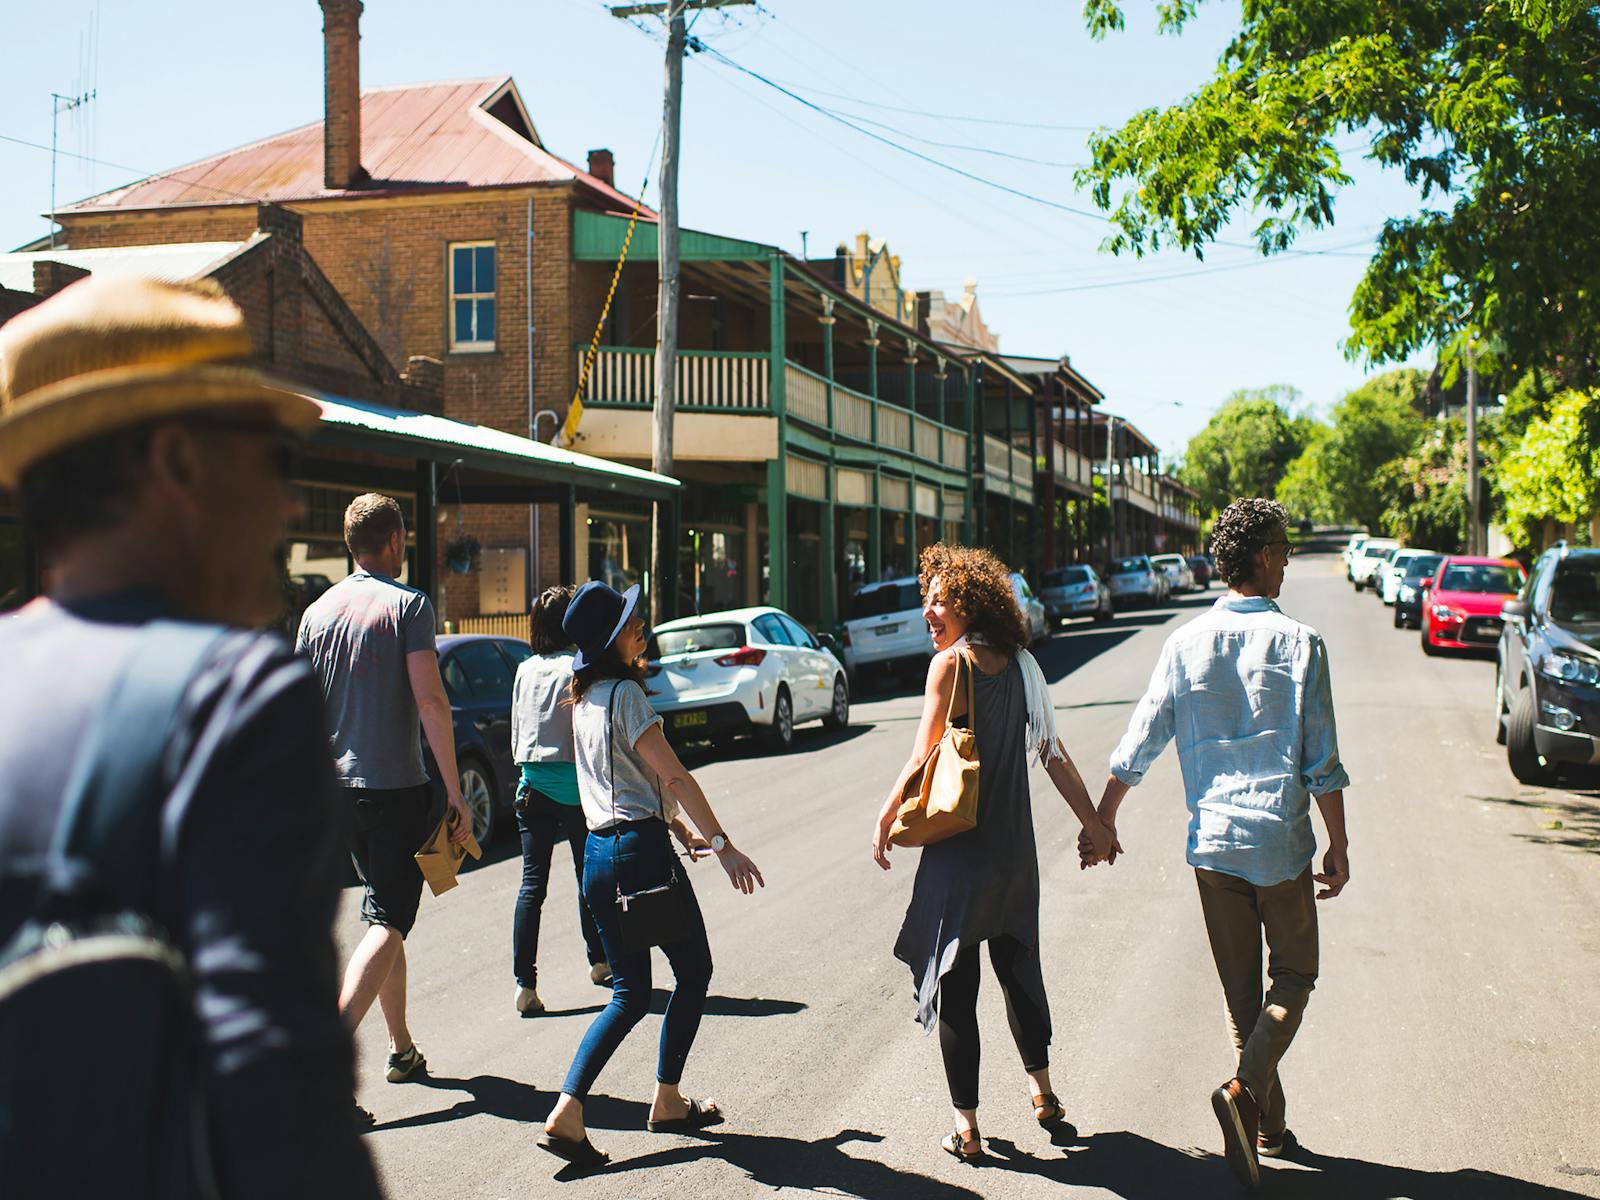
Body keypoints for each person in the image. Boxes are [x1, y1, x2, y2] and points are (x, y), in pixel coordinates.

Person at [0, 275, 382, 1197]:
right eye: (273, 464)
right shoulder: (235, 696)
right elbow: (278, 1105)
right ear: (177, 462)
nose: (289, 512)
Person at [1085, 497, 1350, 1190]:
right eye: (1285, 547)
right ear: (1261, 557)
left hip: (1212, 849)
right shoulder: (1302, 644)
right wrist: (1338, 843)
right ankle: (1243, 1096)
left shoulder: (1183, 643)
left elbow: (1140, 740)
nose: (1290, 558)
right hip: (1278, 844)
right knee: (1293, 977)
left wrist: (1104, 820)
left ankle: (1267, 1127)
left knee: (1244, 1006)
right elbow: (1320, 759)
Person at [871, 544, 1118, 1163]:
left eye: (938, 599)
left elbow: (925, 754)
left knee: (958, 987)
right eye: (925, 598)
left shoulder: (950, 667)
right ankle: (1044, 1093)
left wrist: (885, 814)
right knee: (1019, 973)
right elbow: (1054, 755)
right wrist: (1095, 826)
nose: (928, 611)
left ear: (969, 602)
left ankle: (968, 1129)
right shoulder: (1024, 666)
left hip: (961, 857)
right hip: (1016, 858)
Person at [539, 581, 765, 1169]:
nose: (641, 626)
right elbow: (675, 777)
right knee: (694, 970)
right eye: (631, 622)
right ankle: (665, 1098)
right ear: (610, 639)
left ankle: (569, 1109)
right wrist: (723, 844)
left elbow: (621, 783)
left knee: (630, 993)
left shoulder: (583, 699)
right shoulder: (626, 696)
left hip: (599, 856)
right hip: (639, 857)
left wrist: (677, 830)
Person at [296, 492, 469, 1120]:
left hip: (335, 790)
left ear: (351, 544)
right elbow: (431, 704)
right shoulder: (409, 606)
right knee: (390, 918)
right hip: (394, 789)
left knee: (381, 916)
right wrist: (453, 791)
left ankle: (401, 1049)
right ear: (395, 541)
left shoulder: (316, 612)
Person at [509, 584, 611, 1016]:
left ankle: (524, 984)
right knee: (587, 880)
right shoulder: (576, 667)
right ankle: (601, 961)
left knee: (532, 887)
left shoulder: (524, 669)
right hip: (575, 791)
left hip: (532, 787)